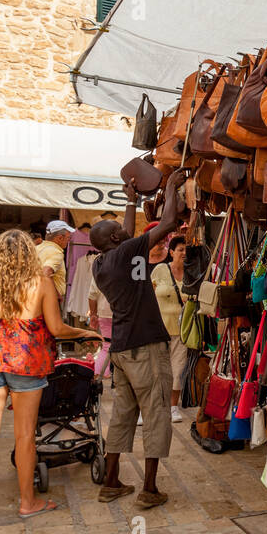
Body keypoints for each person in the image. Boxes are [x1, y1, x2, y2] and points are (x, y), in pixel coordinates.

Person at [0, 230, 101, 519]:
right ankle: (27, 502)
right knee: (25, 436)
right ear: (30, 253)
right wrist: (84, 332)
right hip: (27, 367)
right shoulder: (41, 283)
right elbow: (57, 329)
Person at [89, 173, 188, 509]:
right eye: (119, 229)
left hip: (120, 349)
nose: (124, 231)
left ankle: (112, 481)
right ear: (117, 238)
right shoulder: (128, 251)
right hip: (146, 347)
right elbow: (171, 221)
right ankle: (149, 488)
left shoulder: (102, 263)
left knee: (123, 415)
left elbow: (127, 235)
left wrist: (132, 199)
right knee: (157, 413)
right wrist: (172, 188)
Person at [151, 235, 190, 423]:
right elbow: (148, 295)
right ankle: (150, 407)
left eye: (186, 250)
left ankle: (173, 407)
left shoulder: (192, 273)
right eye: (180, 249)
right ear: (172, 252)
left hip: (183, 330)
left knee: (178, 369)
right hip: (160, 329)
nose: (184, 253)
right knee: (156, 369)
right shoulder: (160, 270)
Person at [36, 220, 72, 301]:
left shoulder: (37, 248)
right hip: (48, 300)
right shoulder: (56, 252)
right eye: (68, 238)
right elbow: (46, 273)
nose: (68, 240)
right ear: (60, 238)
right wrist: (56, 295)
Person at [88, 281, 113, 379]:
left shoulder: (99, 267)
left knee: (107, 346)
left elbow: (92, 295)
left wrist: (93, 314)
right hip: (122, 313)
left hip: (104, 312)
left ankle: (99, 372)